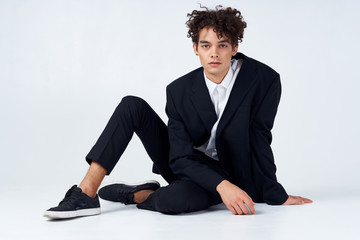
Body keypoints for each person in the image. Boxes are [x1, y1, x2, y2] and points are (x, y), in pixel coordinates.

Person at [44, 6, 312, 219]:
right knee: (131, 105)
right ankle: (85, 193)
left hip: (232, 172)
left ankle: (141, 195)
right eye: (206, 46)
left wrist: (274, 193)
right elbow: (181, 157)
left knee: (175, 201)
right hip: (186, 164)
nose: (214, 53)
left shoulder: (263, 81)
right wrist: (221, 187)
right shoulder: (179, 90)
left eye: (222, 45)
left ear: (235, 47)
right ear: (195, 49)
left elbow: (260, 137)